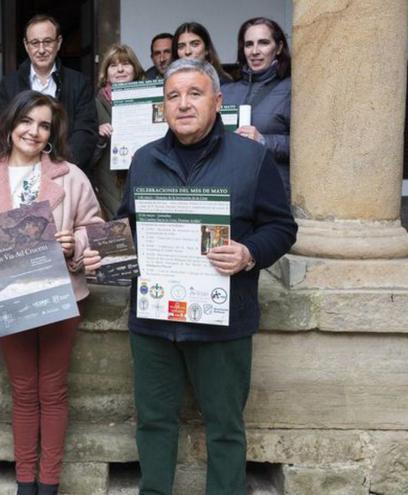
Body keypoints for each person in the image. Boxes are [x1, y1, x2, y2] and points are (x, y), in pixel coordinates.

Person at [115, 59, 296, 495]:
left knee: (225, 426)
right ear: (163, 107)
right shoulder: (144, 160)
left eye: (194, 94)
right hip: (155, 319)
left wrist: (250, 252)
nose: (183, 104)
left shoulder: (251, 159)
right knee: (154, 422)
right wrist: (100, 249)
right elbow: (127, 225)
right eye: (173, 96)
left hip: (223, 319)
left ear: (217, 101)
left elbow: (282, 227)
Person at [0, 90, 103, 495]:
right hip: (10, 299)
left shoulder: (70, 176)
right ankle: (26, 482)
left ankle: (50, 482)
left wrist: (75, 243)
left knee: (53, 390)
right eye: (27, 121)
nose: (34, 131)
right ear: (10, 124)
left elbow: (94, 228)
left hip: (60, 298)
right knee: (23, 392)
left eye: (44, 125)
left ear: (52, 132)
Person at [0, 15, 98, 173]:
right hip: (21, 171)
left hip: (66, 172)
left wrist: (59, 168)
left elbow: (86, 132)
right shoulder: (9, 84)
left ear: (59, 42)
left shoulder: (79, 83)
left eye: (47, 42)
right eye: (35, 43)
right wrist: (21, 164)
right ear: (26, 46)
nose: (41, 50)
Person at [221, 17, 292, 197]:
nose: (254, 51)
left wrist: (263, 141)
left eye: (263, 43)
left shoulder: (293, 89)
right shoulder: (226, 91)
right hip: (232, 187)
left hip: (272, 189)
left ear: (279, 47)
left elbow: (309, 146)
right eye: (248, 44)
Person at [92, 44, 145, 217]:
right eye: (113, 65)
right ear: (105, 72)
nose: (120, 69)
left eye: (126, 64)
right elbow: (88, 155)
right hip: (110, 180)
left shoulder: (150, 100)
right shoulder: (95, 104)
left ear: (135, 69)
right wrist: (98, 137)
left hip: (143, 174)